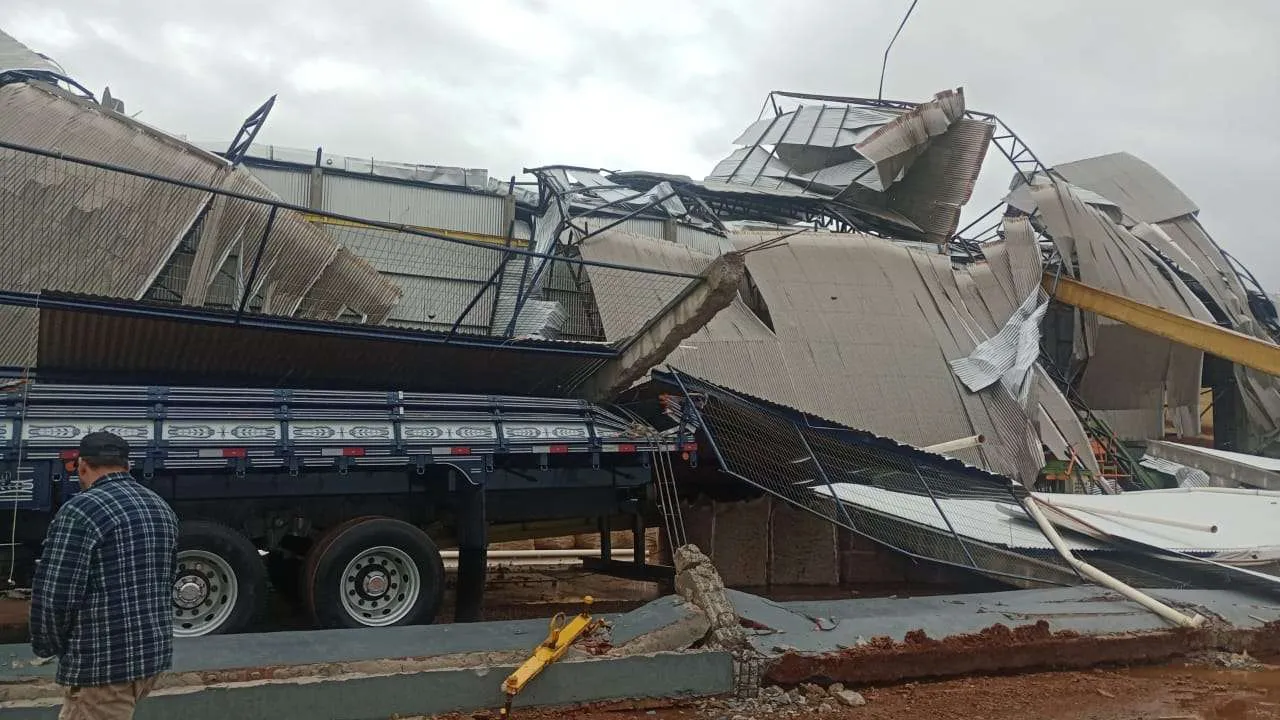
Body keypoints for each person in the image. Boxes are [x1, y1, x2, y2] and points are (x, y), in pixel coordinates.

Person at [29, 431, 179, 720]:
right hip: (149, 659)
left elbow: (56, 595)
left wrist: (46, 646)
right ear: (127, 465)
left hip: (102, 665)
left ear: (82, 465)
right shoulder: (160, 507)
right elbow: (166, 578)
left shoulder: (81, 510)